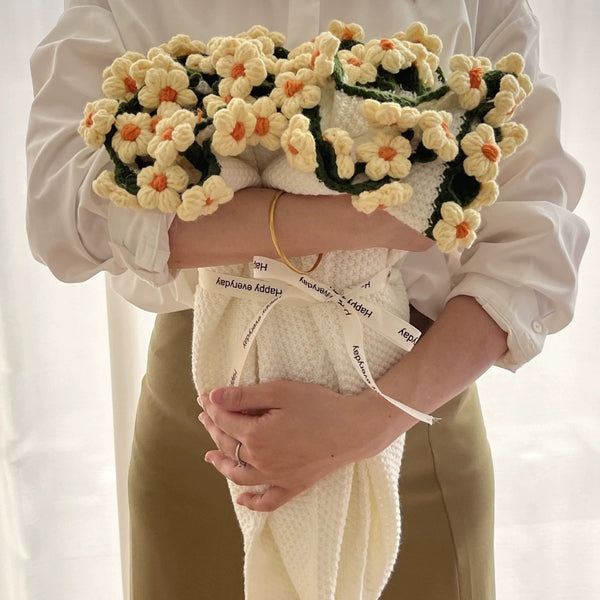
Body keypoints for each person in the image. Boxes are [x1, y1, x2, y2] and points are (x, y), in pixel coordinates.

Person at [26, 1, 589, 598]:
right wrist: (375, 220)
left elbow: (532, 242)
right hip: (209, 429)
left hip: (416, 407)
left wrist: (372, 422)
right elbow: (61, 211)